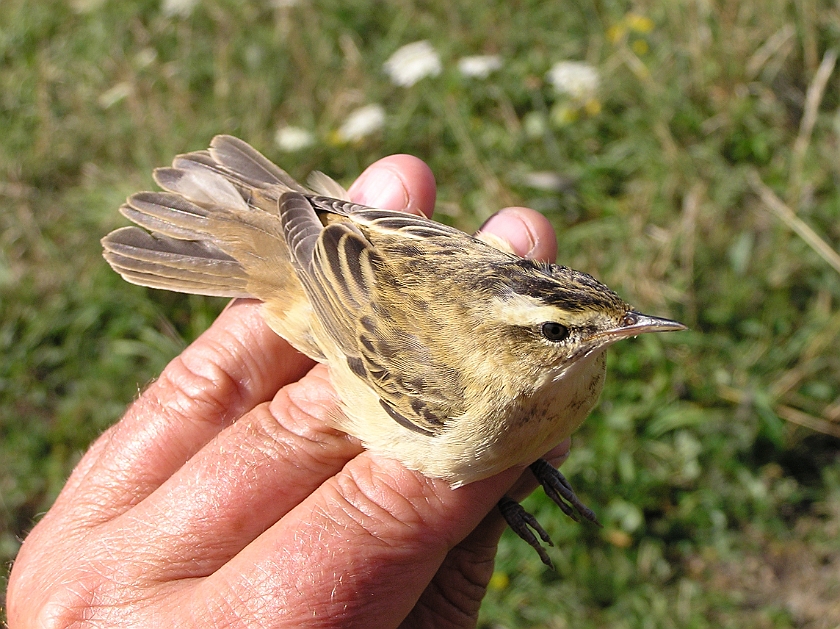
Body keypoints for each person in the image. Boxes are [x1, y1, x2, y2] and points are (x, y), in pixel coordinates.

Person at [7, 154, 569, 628]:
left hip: (358, 254)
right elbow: (358, 318)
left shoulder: (551, 368)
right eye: (562, 334)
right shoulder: (452, 386)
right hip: (334, 292)